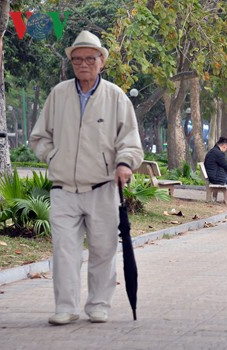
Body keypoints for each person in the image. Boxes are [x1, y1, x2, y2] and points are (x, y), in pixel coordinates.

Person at [30, 31, 144, 325]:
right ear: (71, 62)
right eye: (77, 59)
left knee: (103, 248)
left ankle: (98, 303)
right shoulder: (59, 94)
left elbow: (130, 140)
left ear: (101, 61)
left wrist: (124, 163)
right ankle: (65, 307)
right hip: (64, 189)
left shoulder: (116, 97)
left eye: (90, 59)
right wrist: (53, 157)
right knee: (64, 251)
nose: (83, 64)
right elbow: (39, 137)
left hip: (103, 187)